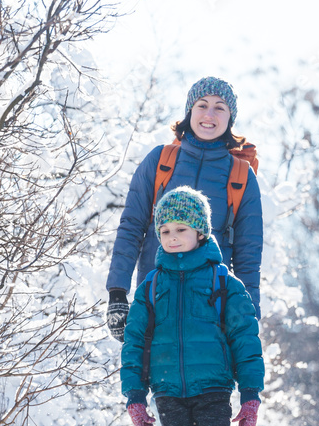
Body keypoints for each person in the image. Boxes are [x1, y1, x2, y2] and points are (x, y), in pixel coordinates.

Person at [120, 186, 265, 426]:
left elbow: (245, 340)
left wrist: (250, 394)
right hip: (168, 391)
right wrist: (135, 395)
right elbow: (135, 343)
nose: (172, 237)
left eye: (181, 229)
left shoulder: (223, 283)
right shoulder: (150, 287)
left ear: (201, 231)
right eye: (165, 231)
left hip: (214, 389)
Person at [107, 77, 263, 342]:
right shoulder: (160, 161)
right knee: (148, 380)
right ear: (190, 111)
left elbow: (248, 255)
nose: (209, 114)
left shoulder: (241, 176)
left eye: (220, 107)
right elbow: (131, 227)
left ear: (230, 118)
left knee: (209, 382)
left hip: (211, 313)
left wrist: (248, 317)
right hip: (155, 304)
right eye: (202, 105)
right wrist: (117, 292)